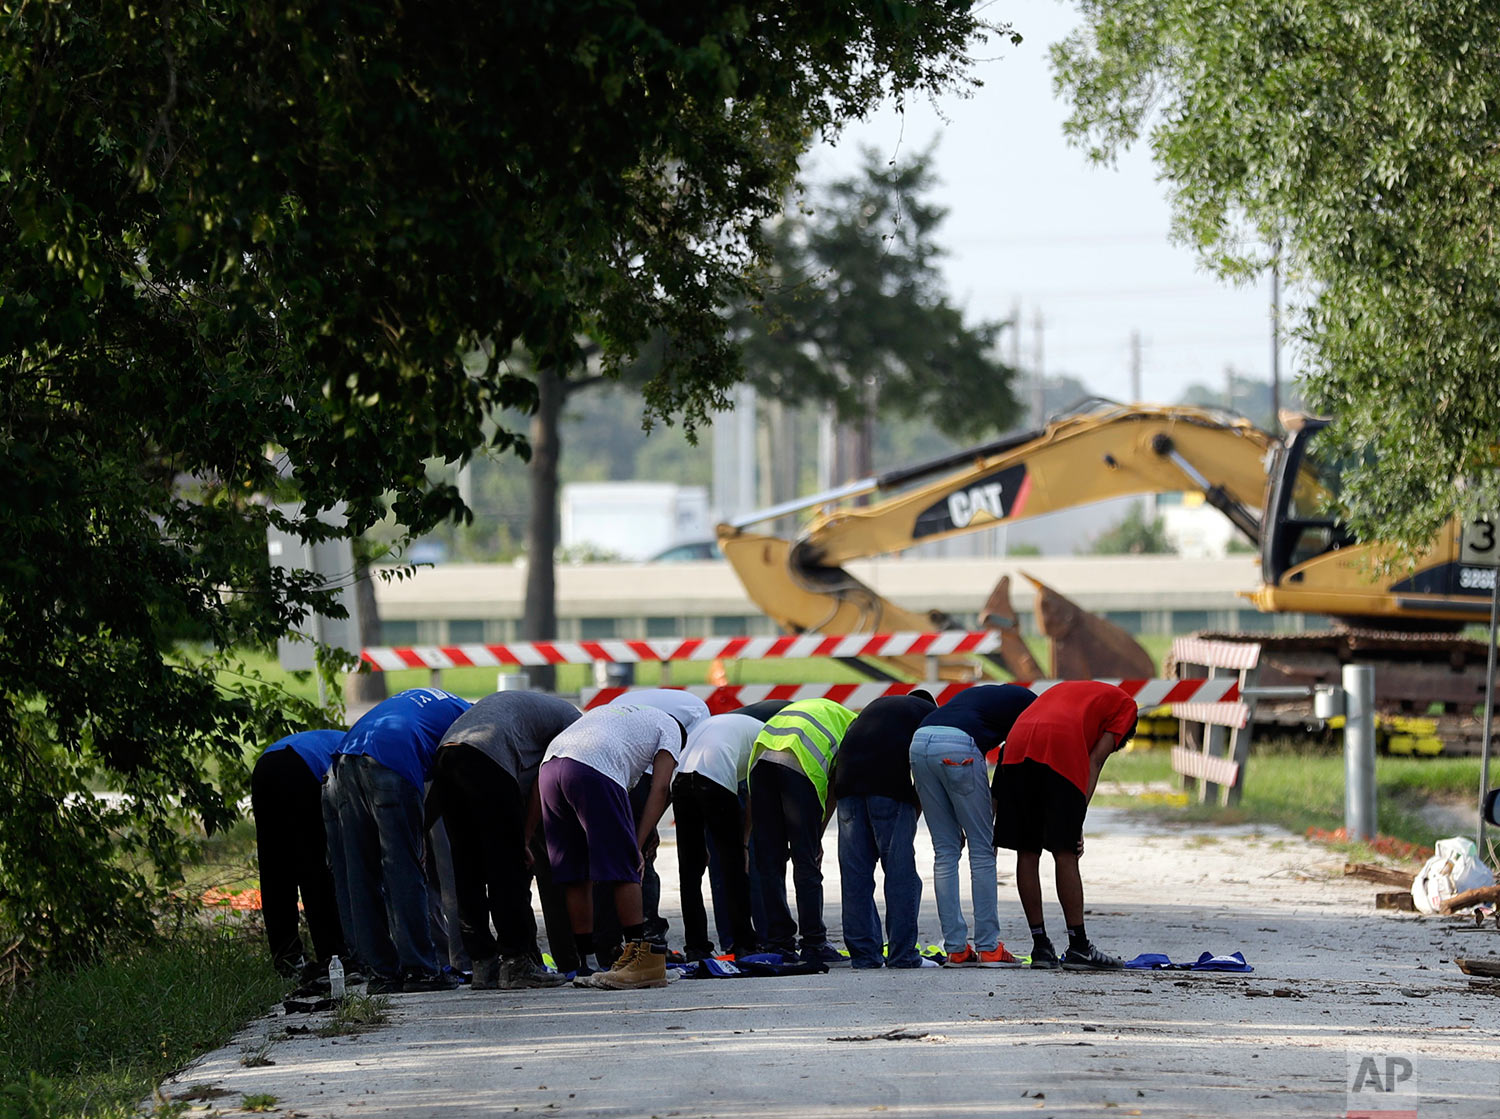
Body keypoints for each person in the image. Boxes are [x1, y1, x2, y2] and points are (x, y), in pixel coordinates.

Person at [430, 690, 582, 989]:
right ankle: (515, 962)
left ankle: (483, 963)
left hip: (447, 755)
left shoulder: (536, 712)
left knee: (467, 865)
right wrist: (524, 838)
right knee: (507, 868)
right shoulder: (574, 724)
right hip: (488, 756)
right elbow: (545, 780)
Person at [332, 687, 472, 994]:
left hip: (346, 757)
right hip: (392, 760)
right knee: (403, 868)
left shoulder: (434, 703)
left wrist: (420, 826)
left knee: (361, 872)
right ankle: (420, 969)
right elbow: (457, 785)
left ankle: (382, 973)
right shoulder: (469, 719)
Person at [992, 680, 1138, 971]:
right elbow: (1095, 760)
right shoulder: (1127, 708)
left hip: (1017, 743)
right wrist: (1076, 819)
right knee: (1065, 851)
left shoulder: (1070, 691)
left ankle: (1040, 947)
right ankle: (1079, 947)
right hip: (1058, 742)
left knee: (1027, 850)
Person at [539, 704, 683, 990]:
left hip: (550, 767)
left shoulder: (625, 716)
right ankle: (638, 957)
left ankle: (585, 962)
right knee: (623, 866)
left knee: (575, 872)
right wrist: (637, 845)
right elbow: (661, 787)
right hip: (592, 766)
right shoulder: (672, 729)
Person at [909, 683, 1036, 967]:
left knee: (945, 850)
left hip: (919, 742)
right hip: (958, 746)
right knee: (982, 850)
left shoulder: (990, 698)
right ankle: (989, 947)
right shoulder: (1034, 709)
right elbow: (1010, 763)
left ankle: (955, 949)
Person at [747, 698, 857, 964]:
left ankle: (780, 942)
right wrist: (816, 835)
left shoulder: (823, 710)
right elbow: (835, 786)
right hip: (799, 763)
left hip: (760, 762)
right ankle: (814, 942)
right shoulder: (854, 727)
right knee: (805, 860)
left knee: (770, 861)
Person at [834, 690, 937, 970]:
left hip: (846, 785)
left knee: (856, 876)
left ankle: (864, 956)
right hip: (888, 786)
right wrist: (912, 815)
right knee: (901, 874)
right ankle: (903, 956)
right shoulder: (930, 716)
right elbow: (928, 777)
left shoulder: (878, 706)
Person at [250, 728, 348, 979]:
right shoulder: (355, 750)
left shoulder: (339, 738)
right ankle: (334, 956)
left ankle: (288, 959)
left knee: (275, 869)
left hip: (266, 765)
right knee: (314, 868)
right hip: (300, 769)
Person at [672, 710, 768, 960]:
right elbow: (752, 797)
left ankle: (696, 946)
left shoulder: (730, 724)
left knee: (690, 870)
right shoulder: (766, 738)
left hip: (681, 780)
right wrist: (744, 844)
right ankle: (743, 941)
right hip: (714, 778)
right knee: (733, 865)